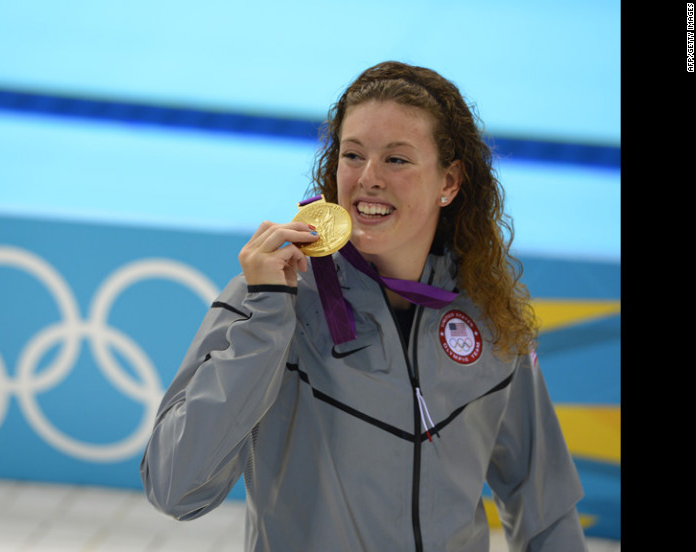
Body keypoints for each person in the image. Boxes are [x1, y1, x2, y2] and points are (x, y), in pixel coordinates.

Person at [140, 61, 587, 552]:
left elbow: (545, 511)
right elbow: (175, 489)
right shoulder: (273, 298)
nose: (368, 178)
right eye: (353, 155)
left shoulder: (486, 312)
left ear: (450, 182)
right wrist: (266, 317)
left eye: (397, 160)